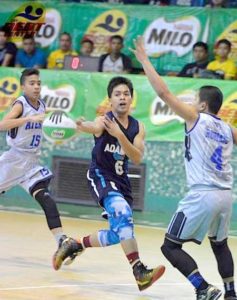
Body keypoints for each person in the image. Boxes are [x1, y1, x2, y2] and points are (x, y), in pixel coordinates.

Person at [131, 36, 237, 300]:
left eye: (194, 100)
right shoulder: (228, 129)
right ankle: (231, 293)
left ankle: (203, 287)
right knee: (220, 245)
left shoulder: (196, 118)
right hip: (226, 196)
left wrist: (144, 60)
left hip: (203, 194)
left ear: (202, 105)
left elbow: (164, 93)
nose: (190, 104)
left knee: (170, 246)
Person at [52, 76, 165, 291]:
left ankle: (75, 244)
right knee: (123, 214)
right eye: (117, 94)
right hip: (101, 176)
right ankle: (139, 271)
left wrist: (120, 136)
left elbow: (137, 157)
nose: (122, 97)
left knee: (119, 233)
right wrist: (78, 125)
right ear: (110, 100)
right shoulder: (104, 121)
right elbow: (91, 127)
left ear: (131, 98)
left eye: (126, 94)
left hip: (122, 183)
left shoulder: (138, 127)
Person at [0, 68, 70, 258]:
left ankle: (62, 241)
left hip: (30, 164)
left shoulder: (42, 105)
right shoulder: (21, 105)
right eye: (32, 83)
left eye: (38, 83)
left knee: (46, 199)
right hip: (13, 160)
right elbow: (2, 125)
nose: (37, 86)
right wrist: (28, 118)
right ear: (23, 86)